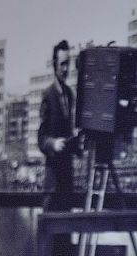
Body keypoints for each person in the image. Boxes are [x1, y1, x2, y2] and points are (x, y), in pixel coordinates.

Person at [38, 39, 81, 212]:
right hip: (53, 181)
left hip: (67, 181)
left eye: (67, 64)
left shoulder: (70, 94)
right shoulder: (48, 95)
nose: (65, 69)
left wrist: (77, 142)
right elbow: (41, 139)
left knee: (66, 225)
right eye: (62, 64)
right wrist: (53, 144)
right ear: (54, 65)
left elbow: (68, 130)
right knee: (51, 224)